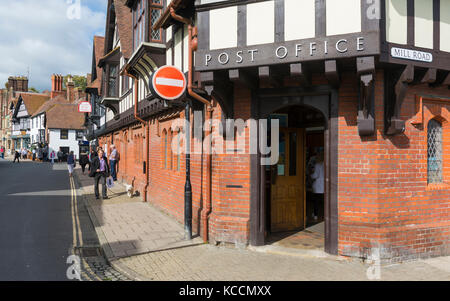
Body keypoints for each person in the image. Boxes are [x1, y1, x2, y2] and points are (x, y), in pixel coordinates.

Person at [310, 152, 324, 221]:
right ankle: (324, 215)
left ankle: (315, 215)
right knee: (324, 202)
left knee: (316, 201)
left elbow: (315, 175)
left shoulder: (317, 165)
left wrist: (310, 175)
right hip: (325, 186)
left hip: (318, 186)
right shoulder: (327, 164)